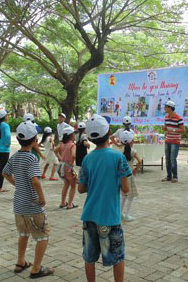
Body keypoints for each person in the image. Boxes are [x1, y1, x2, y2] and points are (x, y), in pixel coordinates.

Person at [78, 114, 131, 282]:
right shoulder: (118, 157)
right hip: (110, 216)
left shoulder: (87, 159)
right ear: (109, 132)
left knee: (89, 257)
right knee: (118, 257)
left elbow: (81, 188)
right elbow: (126, 189)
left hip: (89, 215)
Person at [2, 121, 54, 279]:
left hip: (19, 205)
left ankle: (21, 262)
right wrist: (41, 197)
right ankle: (36, 268)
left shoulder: (15, 156)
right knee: (43, 235)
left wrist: (17, 184)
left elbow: (5, 172)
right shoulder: (32, 159)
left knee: (23, 233)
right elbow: (35, 180)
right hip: (33, 205)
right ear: (35, 140)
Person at [119, 130, 142, 222]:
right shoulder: (133, 151)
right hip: (129, 175)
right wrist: (136, 169)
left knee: (123, 195)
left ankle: (120, 213)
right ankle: (127, 215)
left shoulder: (119, 151)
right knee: (131, 196)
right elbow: (140, 161)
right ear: (131, 141)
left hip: (121, 176)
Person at [162, 100, 185, 183]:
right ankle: (168, 176)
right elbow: (166, 127)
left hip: (175, 141)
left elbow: (183, 130)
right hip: (167, 140)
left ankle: (175, 176)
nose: (164, 108)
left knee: (172, 159)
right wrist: (164, 128)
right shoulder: (166, 117)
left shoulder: (179, 118)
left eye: (165, 107)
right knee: (167, 159)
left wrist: (173, 130)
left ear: (170, 108)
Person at [55, 126, 78, 209]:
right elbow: (73, 155)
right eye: (74, 134)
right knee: (73, 186)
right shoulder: (72, 145)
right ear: (71, 135)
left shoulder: (62, 144)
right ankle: (70, 204)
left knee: (66, 184)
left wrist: (60, 158)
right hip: (68, 167)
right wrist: (71, 164)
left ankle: (63, 202)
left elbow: (55, 150)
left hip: (62, 167)